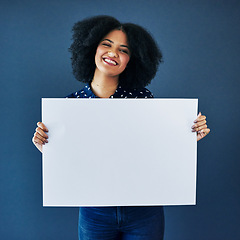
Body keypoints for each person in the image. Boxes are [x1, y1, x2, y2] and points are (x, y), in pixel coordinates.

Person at [32, 15, 210, 240]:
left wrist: (187, 138)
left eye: (123, 50)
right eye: (106, 44)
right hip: (94, 212)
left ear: (131, 61)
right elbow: (72, 161)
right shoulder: (69, 106)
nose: (113, 53)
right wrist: (47, 148)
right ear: (91, 48)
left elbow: (156, 150)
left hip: (144, 210)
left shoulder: (142, 99)